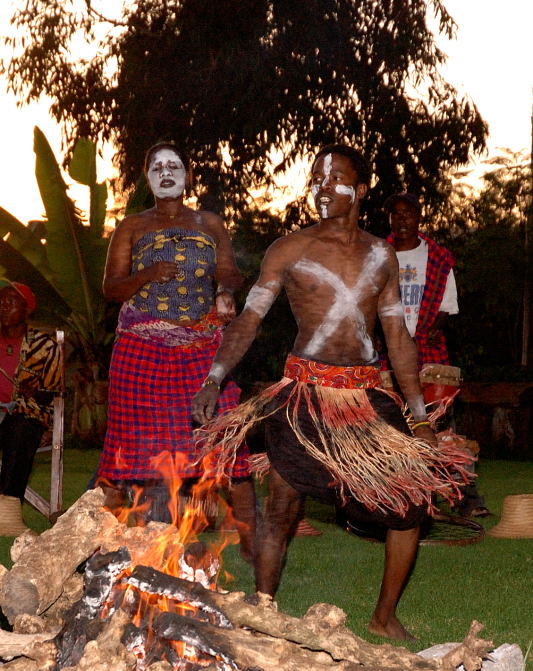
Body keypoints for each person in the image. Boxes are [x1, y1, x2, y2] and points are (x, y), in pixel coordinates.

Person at [192, 144, 470, 640]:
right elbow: (249, 321)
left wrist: (420, 417)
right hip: (302, 396)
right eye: (316, 178)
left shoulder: (381, 255)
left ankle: (384, 619)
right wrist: (215, 375)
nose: (323, 187)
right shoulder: (289, 248)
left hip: (364, 399)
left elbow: (398, 338)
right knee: (281, 508)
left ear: (360, 190)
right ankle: (264, 614)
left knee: (410, 506)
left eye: (336, 178)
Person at [96, 142, 256, 559]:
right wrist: (147, 273)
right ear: (147, 176)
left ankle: (248, 541)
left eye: (174, 165)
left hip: (200, 346)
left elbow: (230, 270)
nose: (166, 172)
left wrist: (223, 291)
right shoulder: (132, 226)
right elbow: (111, 288)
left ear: (187, 174)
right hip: (141, 348)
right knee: (133, 446)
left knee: (221, 431)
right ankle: (110, 543)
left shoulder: (209, 222)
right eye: (157, 166)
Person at [384, 192, 489, 517]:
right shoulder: (377, 253)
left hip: (429, 356)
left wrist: (428, 330)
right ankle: (393, 500)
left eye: (408, 214)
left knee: (441, 427)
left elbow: (447, 305)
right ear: (390, 219)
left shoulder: (439, 257)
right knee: (390, 427)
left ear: (419, 217)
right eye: (395, 214)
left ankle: (465, 500)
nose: (402, 220)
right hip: (387, 353)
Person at [0, 281, 61, 536]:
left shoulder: (45, 345)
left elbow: (52, 391)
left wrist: (34, 392)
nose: (3, 305)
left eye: (11, 301)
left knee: (21, 428)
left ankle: (7, 514)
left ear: (27, 310)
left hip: (26, 415)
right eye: (1, 300)